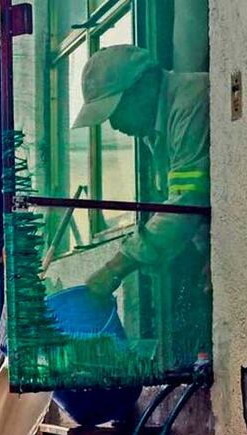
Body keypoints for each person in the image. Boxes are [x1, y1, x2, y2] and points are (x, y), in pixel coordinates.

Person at [72, 45, 210, 298]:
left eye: (116, 110)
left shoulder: (190, 104)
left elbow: (186, 204)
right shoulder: (155, 131)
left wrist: (115, 267)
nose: (114, 124)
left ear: (145, 84)